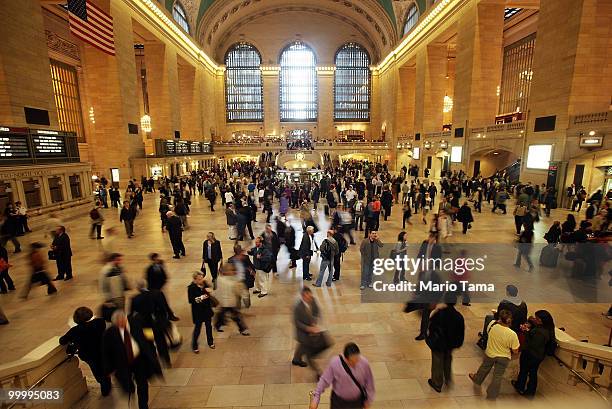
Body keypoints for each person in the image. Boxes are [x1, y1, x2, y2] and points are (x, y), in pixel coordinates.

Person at [102, 310, 162, 409]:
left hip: (139, 360)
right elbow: (106, 353)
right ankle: (130, 389)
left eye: (123, 322)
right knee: (127, 384)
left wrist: (152, 351)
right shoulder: (109, 334)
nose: (121, 325)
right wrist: (108, 369)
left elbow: (149, 335)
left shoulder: (136, 322)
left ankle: (143, 406)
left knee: (142, 384)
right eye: (118, 324)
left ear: (126, 319)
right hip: (123, 363)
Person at [59, 307, 111, 396]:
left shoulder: (75, 331)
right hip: (102, 351)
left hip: (89, 355)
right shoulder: (99, 322)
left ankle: (103, 383)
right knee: (104, 366)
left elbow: (62, 341)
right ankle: (106, 381)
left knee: (96, 370)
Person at [469, 309, 520, 400]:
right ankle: (492, 395)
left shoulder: (493, 326)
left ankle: (477, 379)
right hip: (504, 357)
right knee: (497, 376)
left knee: (484, 367)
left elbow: (487, 333)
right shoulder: (513, 334)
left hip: (490, 353)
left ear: (500, 318)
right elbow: (515, 351)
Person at [310, 343, 375, 409]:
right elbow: (324, 380)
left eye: (357, 360)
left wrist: (368, 400)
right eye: (352, 362)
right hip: (339, 402)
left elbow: (369, 382)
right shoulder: (335, 363)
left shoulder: (364, 363)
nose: (355, 364)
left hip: (357, 401)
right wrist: (316, 398)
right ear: (345, 358)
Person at [426, 294, 465, 393]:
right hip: (450, 344)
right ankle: (448, 379)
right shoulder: (459, 316)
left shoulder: (439, 313)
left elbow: (431, 327)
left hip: (439, 344)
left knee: (437, 362)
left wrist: (429, 338)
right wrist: (457, 344)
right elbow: (461, 332)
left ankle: (437, 383)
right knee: (448, 360)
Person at [512, 310, 555, 397]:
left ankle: (520, 386)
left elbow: (532, 344)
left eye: (537, 318)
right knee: (533, 373)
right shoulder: (548, 329)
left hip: (530, 355)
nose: (535, 319)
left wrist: (526, 332)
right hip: (539, 356)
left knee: (524, 371)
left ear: (541, 320)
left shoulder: (540, 332)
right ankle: (530, 392)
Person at [292, 287, 327, 376]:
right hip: (302, 332)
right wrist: (308, 328)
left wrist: (314, 322)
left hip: (311, 330)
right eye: (307, 297)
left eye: (310, 296)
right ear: (303, 296)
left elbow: (317, 311)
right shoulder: (298, 307)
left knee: (302, 346)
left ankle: (296, 359)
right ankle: (317, 372)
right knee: (308, 353)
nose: (309, 298)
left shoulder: (313, 300)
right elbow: (296, 322)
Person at [214, 263, 250, 335]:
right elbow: (218, 291)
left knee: (223, 314)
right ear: (226, 271)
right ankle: (242, 329)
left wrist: (245, 297)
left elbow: (241, 290)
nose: (234, 272)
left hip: (229, 302)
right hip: (226, 303)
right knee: (235, 316)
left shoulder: (221, 279)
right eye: (232, 270)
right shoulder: (225, 280)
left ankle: (217, 325)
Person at [188, 271, 215, 353]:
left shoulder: (205, 284)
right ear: (195, 280)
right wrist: (203, 296)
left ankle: (210, 342)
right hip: (198, 311)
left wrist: (209, 291)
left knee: (209, 327)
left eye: (202, 278)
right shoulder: (191, 288)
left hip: (206, 310)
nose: (201, 280)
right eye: (199, 279)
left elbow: (210, 292)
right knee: (197, 329)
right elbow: (191, 300)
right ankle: (194, 345)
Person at [145, 253, 178, 321]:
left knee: (163, 302)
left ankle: (169, 315)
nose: (158, 259)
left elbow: (165, 277)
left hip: (160, 289)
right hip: (154, 289)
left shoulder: (160, 266)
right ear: (153, 259)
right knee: (159, 303)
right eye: (156, 258)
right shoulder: (149, 269)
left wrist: (162, 286)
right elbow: (149, 280)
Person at [99, 253, 130, 318]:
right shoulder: (106, 270)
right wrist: (107, 299)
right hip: (113, 297)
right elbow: (102, 286)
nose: (120, 262)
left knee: (122, 312)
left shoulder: (117, 267)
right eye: (118, 260)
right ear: (112, 260)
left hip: (120, 294)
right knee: (116, 314)